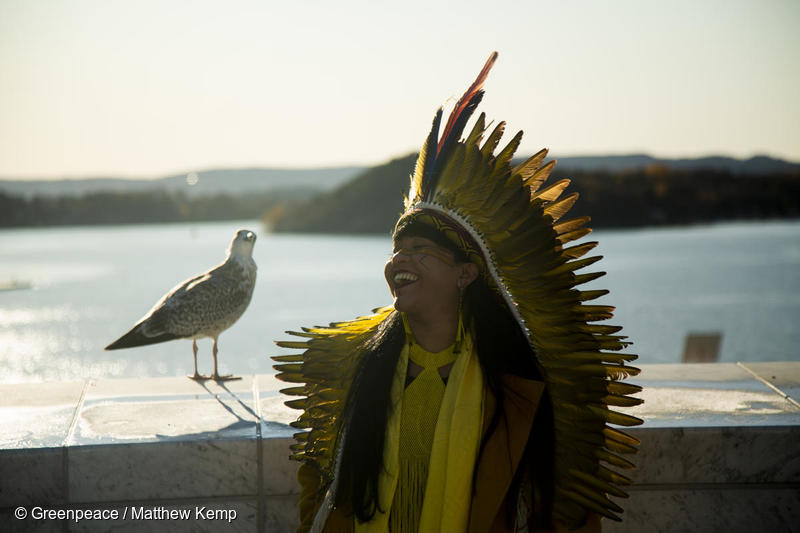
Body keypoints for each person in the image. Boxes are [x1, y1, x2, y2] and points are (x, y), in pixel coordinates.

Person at [274, 52, 642, 533]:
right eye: (396, 249)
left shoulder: (518, 385)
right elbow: (319, 494)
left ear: (467, 274)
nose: (400, 260)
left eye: (421, 250)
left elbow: (559, 508)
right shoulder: (352, 364)